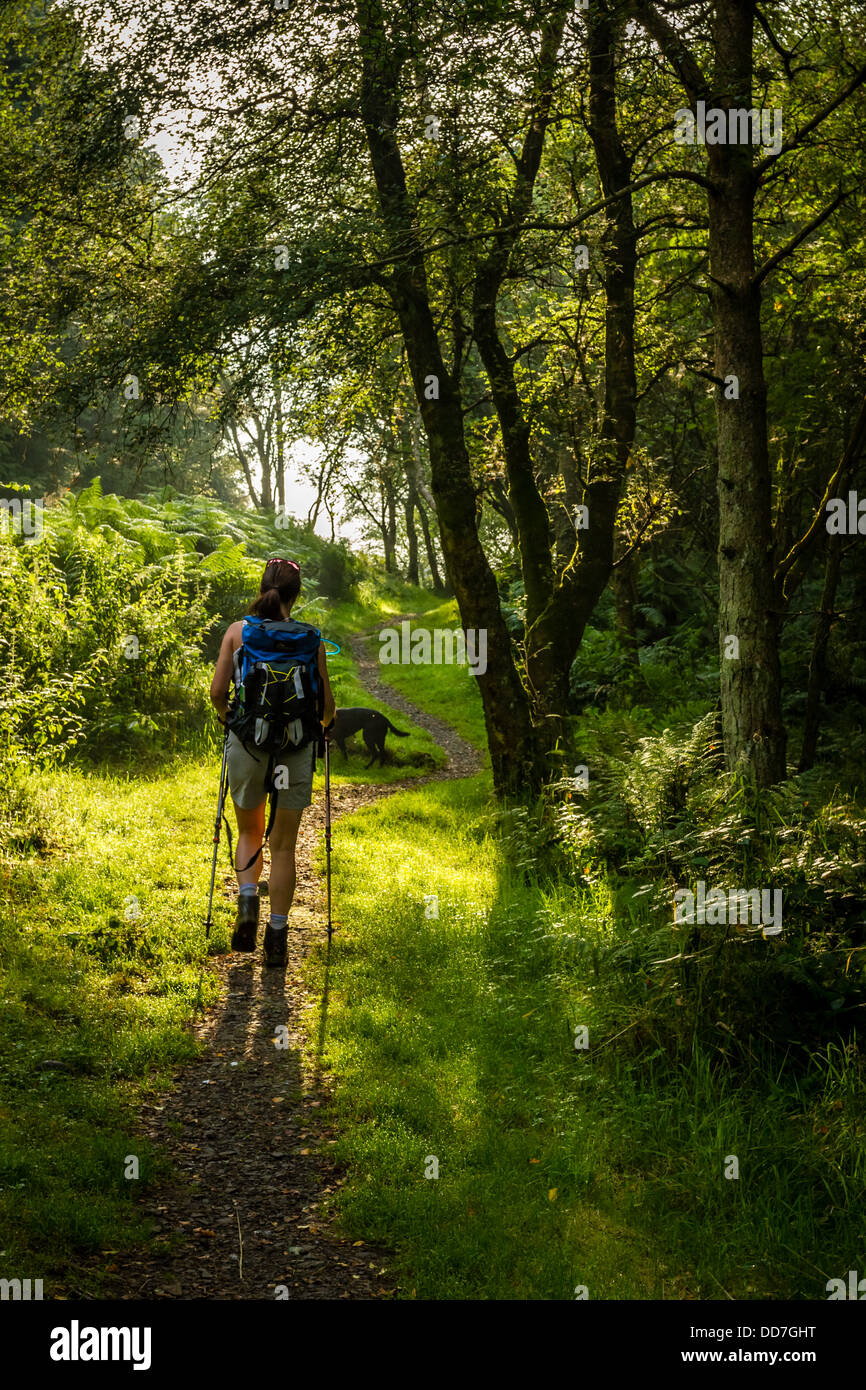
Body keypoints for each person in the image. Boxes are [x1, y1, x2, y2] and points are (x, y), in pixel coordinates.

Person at [209, 557, 336, 967]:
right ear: (295, 596)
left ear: (263, 587)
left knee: (249, 831)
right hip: (294, 750)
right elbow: (327, 710)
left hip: (248, 745)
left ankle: (248, 904)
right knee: (283, 846)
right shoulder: (310, 639)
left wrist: (237, 724)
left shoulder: (237, 632)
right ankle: (277, 936)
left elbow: (217, 693)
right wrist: (309, 730)